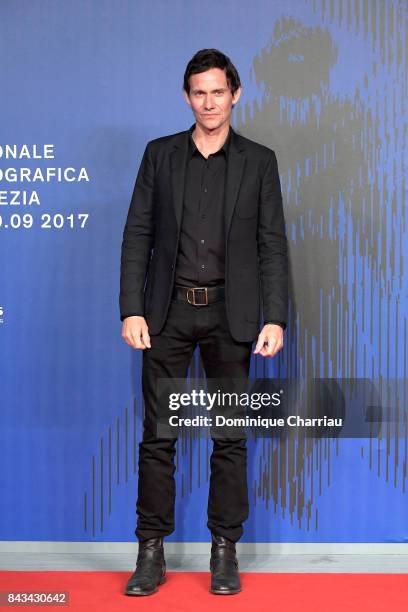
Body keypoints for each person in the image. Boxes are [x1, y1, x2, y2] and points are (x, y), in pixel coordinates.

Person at [120, 48, 288, 596]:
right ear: (187, 97)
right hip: (165, 315)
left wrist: (275, 316)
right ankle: (151, 552)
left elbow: (271, 245)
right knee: (158, 436)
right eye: (199, 92)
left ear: (235, 94)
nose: (209, 102)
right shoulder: (159, 156)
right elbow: (137, 236)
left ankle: (224, 551)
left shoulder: (260, 162)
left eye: (218, 91)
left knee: (230, 438)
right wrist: (132, 307)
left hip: (231, 317)